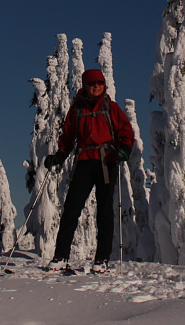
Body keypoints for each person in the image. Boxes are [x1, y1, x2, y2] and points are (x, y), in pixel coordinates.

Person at [43, 69, 135, 271]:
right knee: (71, 209)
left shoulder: (111, 107)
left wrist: (124, 150)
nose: (96, 86)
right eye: (92, 84)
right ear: (85, 86)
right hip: (84, 161)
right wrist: (59, 155)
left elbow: (126, 131)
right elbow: (68, 136)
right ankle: (60, 256)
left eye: (100, 83)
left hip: (106, 161)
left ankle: (101, 259)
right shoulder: (76, 110)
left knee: (104, 212)